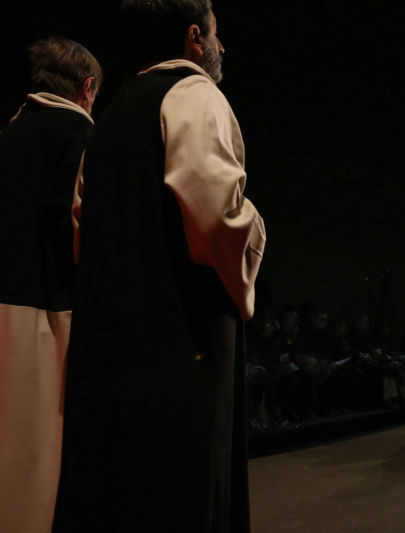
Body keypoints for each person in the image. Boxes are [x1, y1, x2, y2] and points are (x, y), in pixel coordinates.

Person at [52, 2, 266, 531]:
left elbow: (81, 227)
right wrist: (256, 229)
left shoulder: (108, 118)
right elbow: (216, 215)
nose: (222, 47)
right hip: (182, 333)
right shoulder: (194, 93)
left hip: (112, 338)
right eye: (216, 34)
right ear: (194, 37)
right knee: (182, 489)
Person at [0, 37, 101, 533]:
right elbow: (86, 232)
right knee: (40, 458)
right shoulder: (81, 133)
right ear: (88, 87)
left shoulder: (9, 131)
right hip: (49, 311)